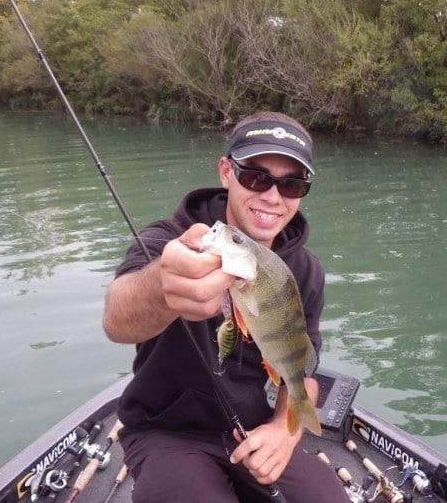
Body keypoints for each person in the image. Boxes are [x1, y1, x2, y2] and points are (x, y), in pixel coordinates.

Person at [103, 111, 349, 503]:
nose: (272, 196)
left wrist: (283, 432)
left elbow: (302, 373)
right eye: (256, 176)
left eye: (292, 184)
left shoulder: (304, 271)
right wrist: (161, 288)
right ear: (225, 172)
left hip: (250, 427)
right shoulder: (170, 241)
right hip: (165, 431)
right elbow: (116, 320)